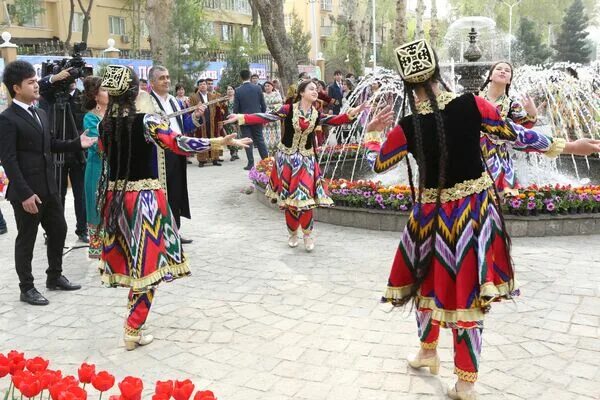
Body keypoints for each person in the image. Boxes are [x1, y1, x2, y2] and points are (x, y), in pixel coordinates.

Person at [363, 39, 600, 399]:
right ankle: (457, 376)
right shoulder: (471, 104)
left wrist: (375, 131)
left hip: (429, 218)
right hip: (473, 214)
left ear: (407, 84)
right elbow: (516, 135)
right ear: (439, 70)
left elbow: (379, 163)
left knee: (426, 283)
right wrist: (570, 147)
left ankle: (439, 359)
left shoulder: (408, 125)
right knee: (466, 292)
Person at [96, 65, 251, 350]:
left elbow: (108, 157)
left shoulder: (104, 125)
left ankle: (134, 324)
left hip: (116, 202)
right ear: (134, 90)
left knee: (136, 265)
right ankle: (133, 329)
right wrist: (218, 140)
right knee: (149, 268)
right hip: (144, 202)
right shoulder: (144, 121)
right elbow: (176, 142)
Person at [225, 80, 367, 251]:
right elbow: (266, 116)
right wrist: (241, 117)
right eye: (311, 89)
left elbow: (336, 120)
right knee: (290, 201)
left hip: (306, 161)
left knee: (305, 199)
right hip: (286, 160)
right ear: (301, 92)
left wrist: (352, 113)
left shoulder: (317, 114)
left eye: (317, 89)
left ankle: (307, 235)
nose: (316, 92)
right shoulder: (288, 110)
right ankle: (292, 233)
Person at [0, 60, 97, 306]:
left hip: (49, 187)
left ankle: (54, 276)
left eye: (35, 81)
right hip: (27, 193)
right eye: (30, 82)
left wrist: (78, 142)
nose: (36, 86)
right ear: (16, 88)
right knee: (27, 239)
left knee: (59, 230)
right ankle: (27, 287)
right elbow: (8, 160)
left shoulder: (40, 112)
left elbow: (50, 145)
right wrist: (24, 194)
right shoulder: (7, 119)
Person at [148, 66, 203, 243]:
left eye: (168, 77)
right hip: (158, 155)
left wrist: (195, 115)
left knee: (176, 192)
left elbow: (183, 124)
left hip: (178, 151)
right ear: (152, 82)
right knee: (161, 193)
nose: (166, 81)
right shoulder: (146, 102)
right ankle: (159, 235)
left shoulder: (173, 100)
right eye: (162, 78)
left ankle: (175, 232)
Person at [478, 61, 543, 192]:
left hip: (499, 159)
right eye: (499, 69)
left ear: (509, 80)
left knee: (503, 197)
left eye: (507, 71)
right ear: (490, 76)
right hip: (474, 155)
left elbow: (525, 127)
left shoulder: (512, 105)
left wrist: (532, 113)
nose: (503, 71)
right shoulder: (474, 99)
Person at [38, 72, 88, 242]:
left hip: (78, 153)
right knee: (57, 194)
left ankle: (82, 229)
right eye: (66, 77)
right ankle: (53, 230)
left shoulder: (82, 98)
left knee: (81, 195)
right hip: (57, 152)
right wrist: (53, 79)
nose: (70, 81)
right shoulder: (50, 97)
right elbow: (41, 84)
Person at [81, 76, 108, 259]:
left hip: (115, 168)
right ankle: (98, 249)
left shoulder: (115, 113)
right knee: (97, 206)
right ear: (96, 96)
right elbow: (98, 143)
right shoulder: (90, 117)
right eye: (105, 90)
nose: (109, 93)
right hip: (97, 169)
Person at [234, 69, 269, 170]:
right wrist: (262, 116)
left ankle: (250, 163)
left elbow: (236, 107)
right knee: (260, 140)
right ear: (250, 76)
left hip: (243, 118)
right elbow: (263, 104)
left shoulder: (238, 90)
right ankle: (266, 162)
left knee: (247, 140)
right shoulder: (258, 88)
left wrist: (236, 119)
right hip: (256, 117)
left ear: (241, 77)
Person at [189, 78, 224, 167]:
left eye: (204, 84)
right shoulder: (193, 97)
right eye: (200, 84)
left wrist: (220, 122)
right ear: (198, 86)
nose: (203, 86)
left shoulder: (213, 96)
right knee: (201, 139)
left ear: (206, 85)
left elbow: (218, 109)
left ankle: (215, 159)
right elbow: (190, 111)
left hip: (213, 122)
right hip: (201, 123)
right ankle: (202, 160)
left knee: (214, 139)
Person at [262, 81, 283, 155]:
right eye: (265, 86)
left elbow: (280, 104)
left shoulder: (277, 93)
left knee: (276, 136)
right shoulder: (262, 95)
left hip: (275, 117)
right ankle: (268, 154)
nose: (267, 87)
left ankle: (277, 153)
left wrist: (273, 110)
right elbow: (261, 105)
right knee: (266, 135)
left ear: (272, 86)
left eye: (268, 86)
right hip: (265, 118)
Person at [220, 85, 240, 161]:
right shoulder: (224, 99)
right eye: (228, 89)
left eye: (231, 89)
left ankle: (235, 152)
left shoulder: (237, 99)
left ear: (234, 90)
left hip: (236, 119)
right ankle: (233, 152)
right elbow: (220, 109)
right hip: (227, 120)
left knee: (236, 135)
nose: (230, 90)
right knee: (229, 136)